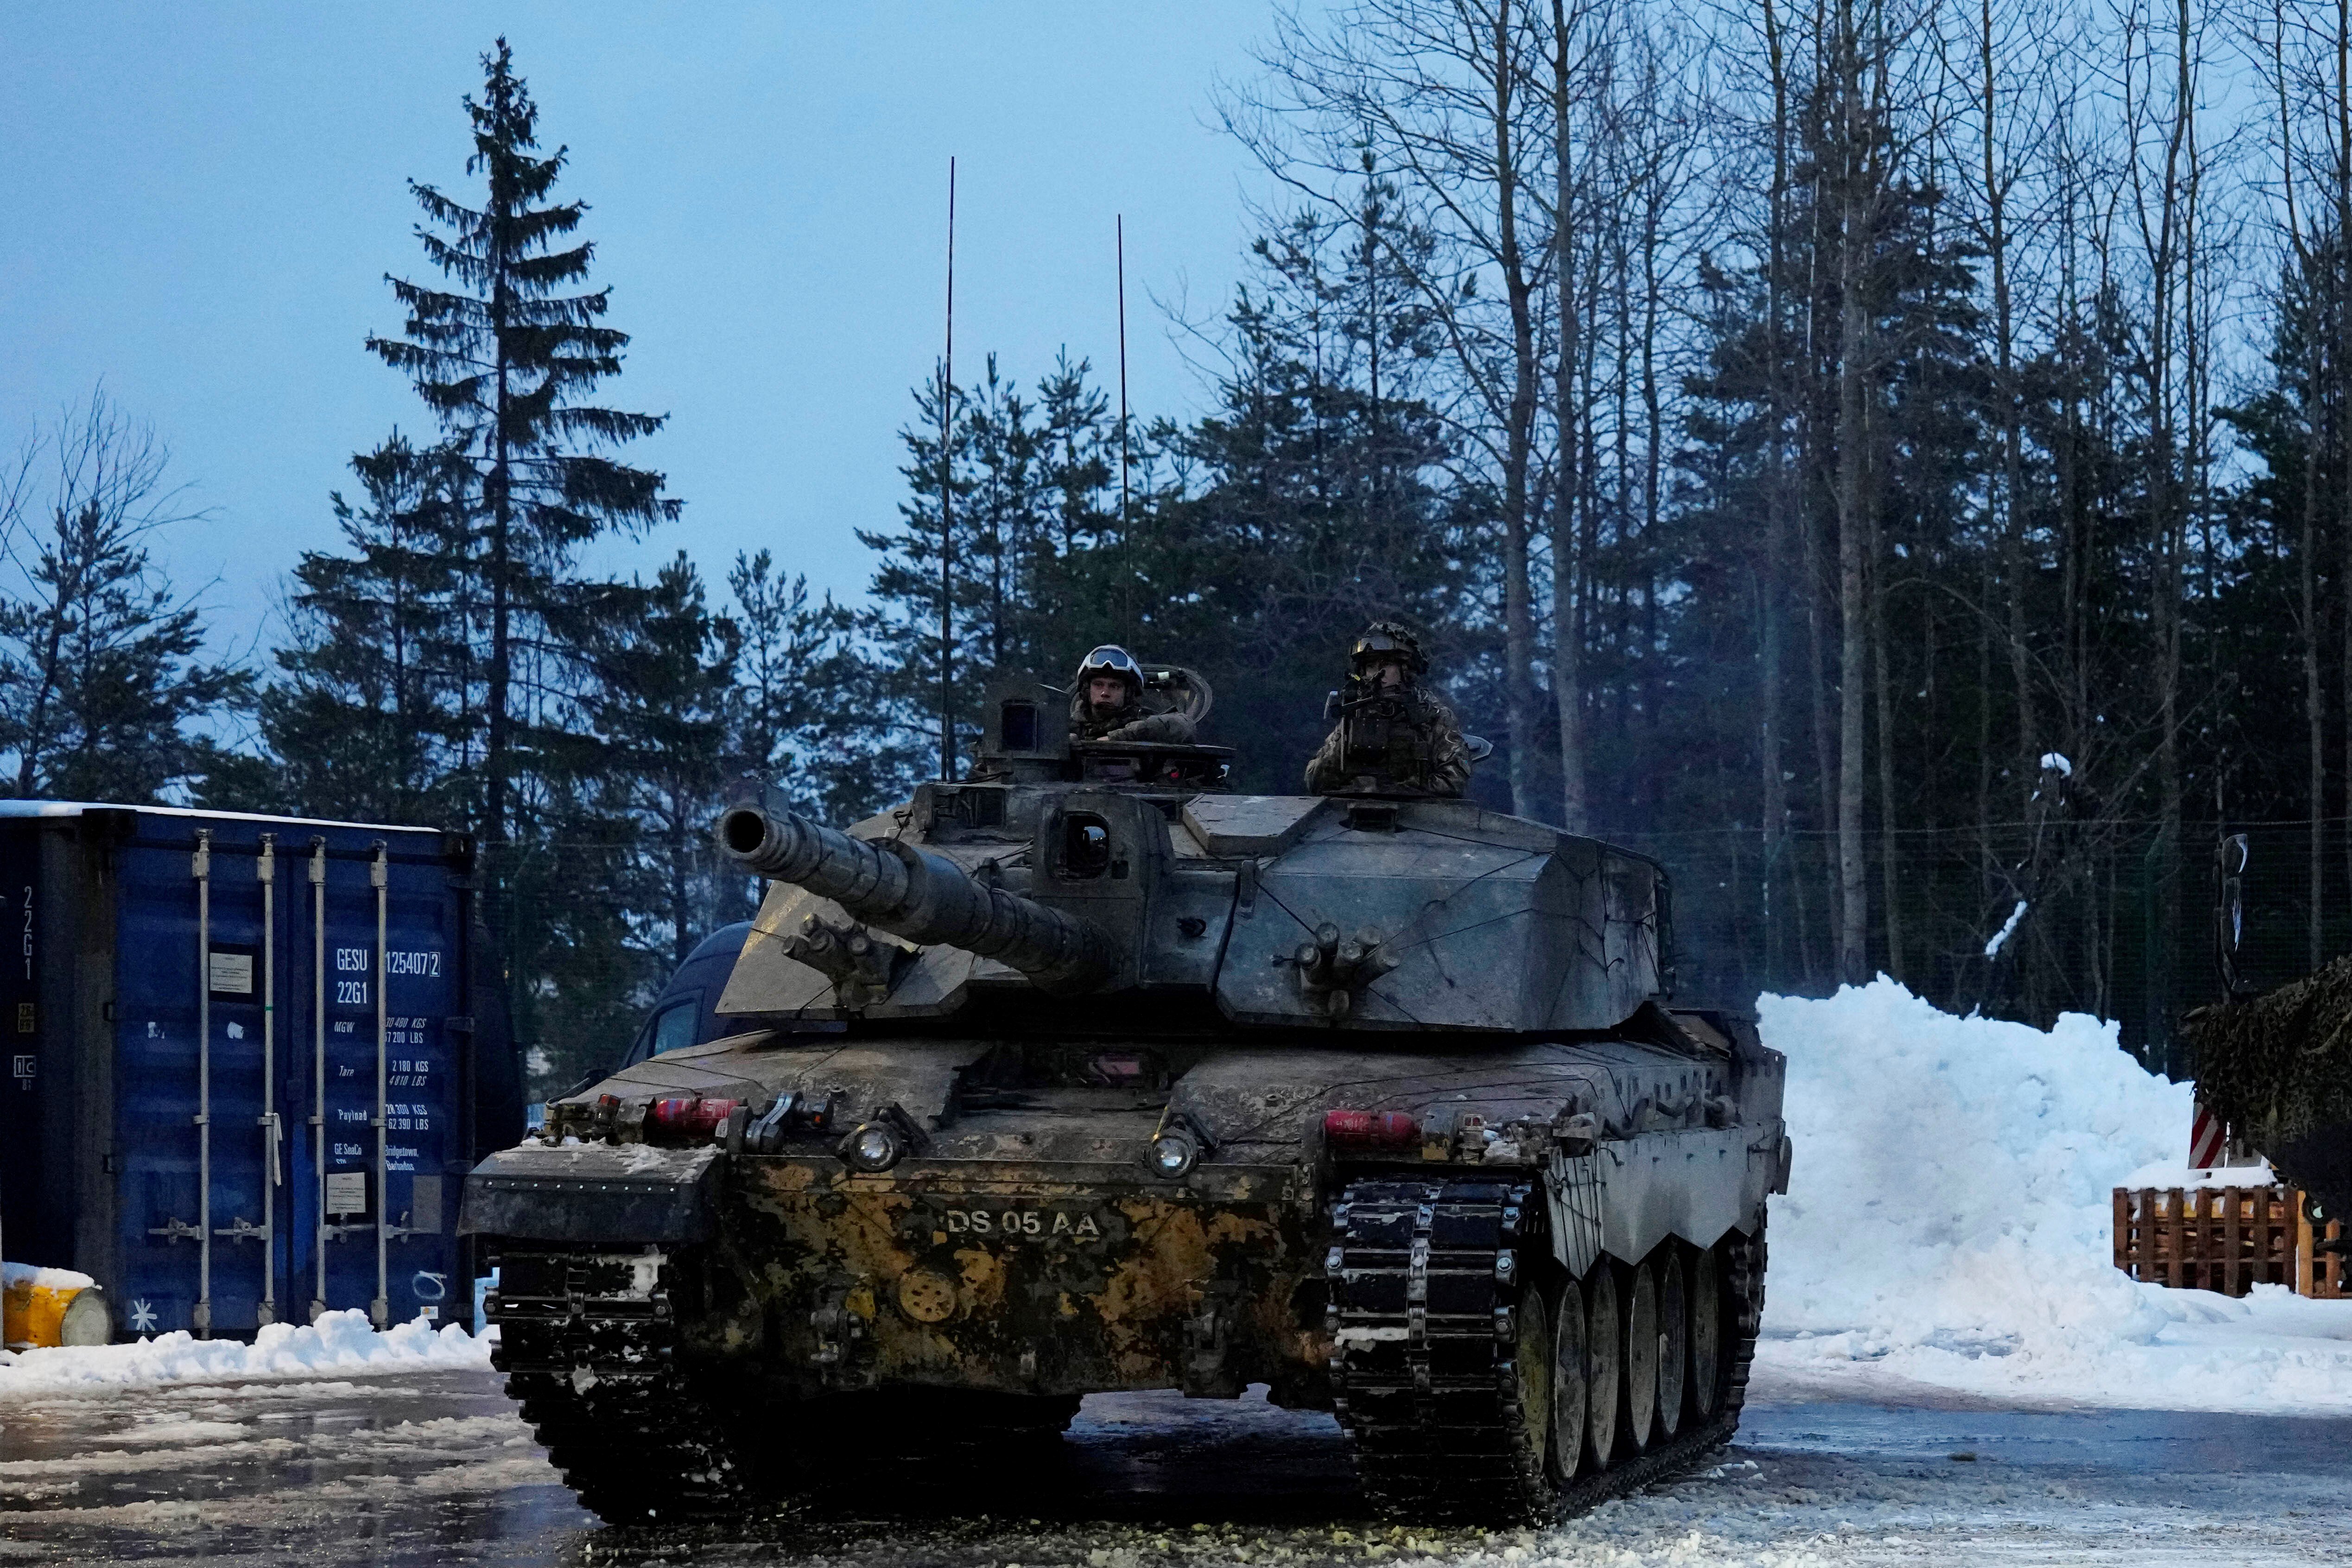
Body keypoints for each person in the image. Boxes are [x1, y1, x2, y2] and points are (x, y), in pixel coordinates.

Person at [1305, 621, 1470, 797]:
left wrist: (1400, 790)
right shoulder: (1356, 712)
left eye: (1386, 665)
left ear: (1405, 669)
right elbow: (1315, 781)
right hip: (1353, 812)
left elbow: (1454, 780)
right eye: (1371, 666)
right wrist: (1346, 739)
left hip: (1418, 813)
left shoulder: (1432, 715)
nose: (1377, 674)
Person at [1068, 645, 1198, 743]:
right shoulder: (1069, 727)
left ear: (1128, 692)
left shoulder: (1142, 721)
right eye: (1098, 685)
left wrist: (1120, 737)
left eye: (1115, 686)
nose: (1105, 693)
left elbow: (1184, 726)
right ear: (1087, 688)